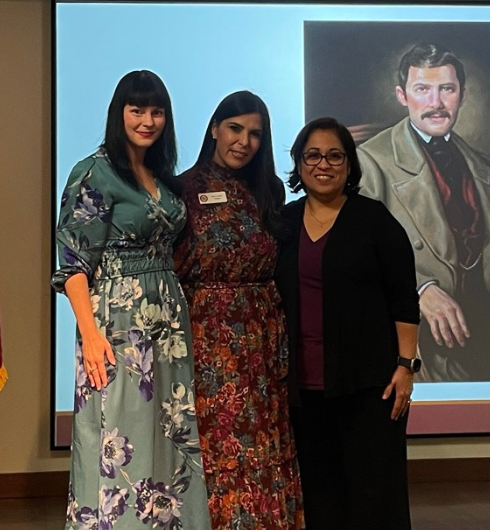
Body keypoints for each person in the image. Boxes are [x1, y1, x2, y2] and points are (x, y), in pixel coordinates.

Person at [358, 43, 490, 382]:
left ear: (463, 94)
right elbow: (353, 254)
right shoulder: (368, 162)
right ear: (402, 95)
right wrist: (419, 290)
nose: (436, 103)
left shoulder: (483, 166)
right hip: (420, 342)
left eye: (447, 89)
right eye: (422, 90)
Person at [53, 70, 210, 530]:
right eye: (137, 109)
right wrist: (90, 334)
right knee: (121, 435)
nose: (147, 120)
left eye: (156, 111)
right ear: (118, 113)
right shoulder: (94, 171)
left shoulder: (160, 174)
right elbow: (73, 264)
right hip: (118, 325)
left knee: (169, 435)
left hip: (167, 324)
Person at [276, 117, 420, 530]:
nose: (324, 164)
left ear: (350, 164)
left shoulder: (374, 220)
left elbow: (404, 299)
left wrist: (405, 366)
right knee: (320, 493)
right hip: (303, 390)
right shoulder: (283, 223)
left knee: (374, 494)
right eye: (313, 155)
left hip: (370, 386)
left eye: (335, 155)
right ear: (300, 165)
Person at [173, 91, 304, 530]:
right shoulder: (182, 190)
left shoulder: (268, 191)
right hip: (208, 337)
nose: (243, 141)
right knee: (221, 445)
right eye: (235, 128)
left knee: (264, 443)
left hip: (264, 338)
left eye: (254, 134)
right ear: (214, 128)